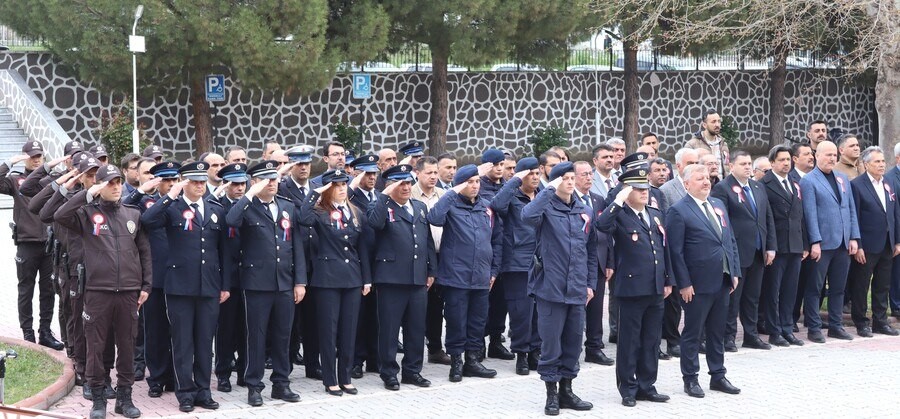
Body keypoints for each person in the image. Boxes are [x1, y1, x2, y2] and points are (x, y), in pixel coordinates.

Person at [54, 164, 152, 419]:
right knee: (96, 348)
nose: (117, 187)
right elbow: (60, 215)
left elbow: (144, 252)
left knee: (127, 346)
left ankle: (125, 398)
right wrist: (89, 192)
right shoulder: (86, 214)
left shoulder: (133, 214)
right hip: (98, 291)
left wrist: (146, 286)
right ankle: (98, 400)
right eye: (110, 182)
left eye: (119, 182)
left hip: (129, 292)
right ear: (99, 186)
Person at [140, 161, 228, 413]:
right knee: (182, 343)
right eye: (194, 181)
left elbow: (223, 250)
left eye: (202, 181)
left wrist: (225, 285)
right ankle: (185, 393)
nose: (200, 185)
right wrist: (169, 196)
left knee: (204, 343)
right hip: (179, 287)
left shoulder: (214, 208)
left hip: (209, 286)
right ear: (184, 182)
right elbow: (147, 220)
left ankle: (203, 391)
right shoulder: (172, 208)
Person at [226, 160, 307, 406]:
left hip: (284, 282)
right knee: (256, 338)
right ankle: (254, 386)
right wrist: (249, 194)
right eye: (266, 179)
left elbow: (297, 246)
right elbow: (231, 220)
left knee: (283, 336)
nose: (273, 183)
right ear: (255, 182)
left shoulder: (286, 206)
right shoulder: (247, 207)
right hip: (257, 284)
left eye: (274, 179)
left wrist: (300, 281)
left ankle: (281, 384)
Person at [522, 162, 597, 415]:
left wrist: (590, 284)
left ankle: (567, 390)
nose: (570, 182)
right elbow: (526, 216)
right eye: (564, 178)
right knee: (551, 345)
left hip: (576, 289)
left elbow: (590, 251)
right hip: (550, 289)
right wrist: (547, 190)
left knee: (573, 344)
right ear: (555, 182)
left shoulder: (583, 210)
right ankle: (551, 395)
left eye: (571, 177)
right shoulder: (544, 209)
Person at [596, 168, 673, 407]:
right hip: (631, 287)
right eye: (638, 189)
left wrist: (668, 279)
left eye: (645, 188)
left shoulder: (655, 213)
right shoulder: (619, 215)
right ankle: (628, 388)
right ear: (627, 191)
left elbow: (663, 248)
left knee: (651, 340)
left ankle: (647, 385)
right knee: (630, 341)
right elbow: (601, 224)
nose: (644, 192)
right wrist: (618, 200)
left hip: (655, 287)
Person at [666, 163, 742, 398]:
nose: (706, 182)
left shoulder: (718, 205)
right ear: (687, 183)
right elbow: (675, 252)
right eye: (700, 179)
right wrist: (684, 283)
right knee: (693, 332)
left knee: (717, 332)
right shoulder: (679, 210)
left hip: (722, 280)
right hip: (696, 285)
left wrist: (734, 271)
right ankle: (691, 378)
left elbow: (729, 240)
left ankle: (718, 375)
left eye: (707, 178)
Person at [298, 168, 371, 396]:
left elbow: (363, 248)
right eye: (336, 186)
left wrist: (366, 278)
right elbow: (302, 218)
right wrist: (315, 193)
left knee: (349, 330)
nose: (342, 189)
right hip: (327, 278)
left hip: (352, 277)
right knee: (329, 330)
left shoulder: (356, 212)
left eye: (344, 185)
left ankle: (345, 377)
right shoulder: (319, 212)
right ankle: (330, 379)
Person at [427, 164, 501, 383]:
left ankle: (472, 360)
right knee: (456, 320)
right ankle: (456, 361)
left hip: (481, 275)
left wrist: (494, 270)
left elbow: (496, 240)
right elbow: (434, 218)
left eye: (477, 181)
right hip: (456, 276)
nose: (475, 186)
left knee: (477, 321)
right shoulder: (451, 205)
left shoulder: (486, 207)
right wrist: (452, 192)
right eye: (469, 182)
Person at [367, 164, 436, 390]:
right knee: (389, 328)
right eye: (401, 183)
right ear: (390, 185)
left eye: (408, 182)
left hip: (417, 277)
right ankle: (388, 372)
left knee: (416, 328)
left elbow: (427, 241)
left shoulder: (418, 206)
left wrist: (431, 271)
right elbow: (374, 224)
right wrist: (384, 196)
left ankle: (412, 371)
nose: (406, 187)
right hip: (392, 279)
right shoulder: (382, 206)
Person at [121, 159, 178, 398]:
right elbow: (122, 209)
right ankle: (156, 378)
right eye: (165, 180)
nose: (171, 184)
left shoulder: (181, 202)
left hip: (178, 276)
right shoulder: (142, 202)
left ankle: (175, 376)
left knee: (178, 330)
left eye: (174, 179)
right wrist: (142, 190)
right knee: (154, 330)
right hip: (153, 276)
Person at [711, 151, 776, 352]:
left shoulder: (757, 186)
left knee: (752, 296)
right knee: (733, 297)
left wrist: (770, 246)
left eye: (749, 163)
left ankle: (751, 335)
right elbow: (722, 222)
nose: (748, 167)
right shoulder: (723, 188)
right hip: (736, 252)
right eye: (743, 164)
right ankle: (728, 336)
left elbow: (767, 218)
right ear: (732, 166)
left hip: (758, 250)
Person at [0, 141, 63, 349]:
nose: (36, 159)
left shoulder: (51, 179)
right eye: (32, 156)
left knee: (48, 290)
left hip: (48, 244)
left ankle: (45, 331)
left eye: (39, 156)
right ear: (24, 156)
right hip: (26, 244)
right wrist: (9, 162)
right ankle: (27, 333)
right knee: (25, 290)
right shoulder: (15, 180)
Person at [800, 141, 860, 343]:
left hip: (843, 242)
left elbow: (850, 209)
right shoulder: (809, 181)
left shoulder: (842, 178)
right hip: (823, 243)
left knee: (838, 287)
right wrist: (815, 241)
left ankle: (836, 326)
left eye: (834, 155)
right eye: (827, 155)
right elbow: (810, 214)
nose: (832, 158)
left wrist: (854, 237)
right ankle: (814, 327)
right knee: (815, 287)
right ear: (817, 156)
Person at [490, 157, 543, 374]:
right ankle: (521, 353)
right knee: (521, 312)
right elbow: (496, 204)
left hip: (542, 262)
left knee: (540, 312)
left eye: (538, 173)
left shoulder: (543, 196)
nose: (535, 177)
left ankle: (535, 352)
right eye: (530, 174)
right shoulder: (512, 197)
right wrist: (513, 181)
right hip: (517, 263)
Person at [848, 146, 900, 336]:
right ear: (866, 164)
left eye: (883, 161)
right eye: (877, 161)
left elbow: (894, 213)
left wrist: (897, 241)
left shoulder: (888, 183)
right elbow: (855, 216)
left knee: (883, 284)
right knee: (861, 284)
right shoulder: (857, 185)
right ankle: (861, 322)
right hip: (867, 244)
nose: (881, 165)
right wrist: (858, 244)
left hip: (887, 242)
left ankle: (880, 321)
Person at [279, 145, 321, 379]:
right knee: (290, 321)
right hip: (293, 261)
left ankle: (313, 364)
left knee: (313, 318)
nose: (303, 167)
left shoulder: (316, 188)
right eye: (298, 163)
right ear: (291, 165)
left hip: (316, 261)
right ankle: (286, 366)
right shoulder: (282, 189)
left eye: (306, 163)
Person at [760, 145, 807, 346]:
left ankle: (787, 328)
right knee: (773, 291)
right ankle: (774, 330)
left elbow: (800, 216)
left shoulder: (795, 183)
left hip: (795, 245)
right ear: (772, 163)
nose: (786, 163)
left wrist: (805, 243)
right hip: (777, 245)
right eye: (781, 160)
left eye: (788, 159)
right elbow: (766, 219)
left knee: (790, 290)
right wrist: (769, 246)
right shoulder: (764, 184)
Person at [572, 161, 614, 367]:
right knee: (576, 309)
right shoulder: (568, 200)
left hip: (598, 261)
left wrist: (610, 261)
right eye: (584, 174)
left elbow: (607, 232)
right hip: (576, 263)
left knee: (596, 309)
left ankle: (594, 348)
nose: (589, 178)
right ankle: (572, 350)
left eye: (590, 174)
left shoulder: (598, 200)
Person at [213, 163, 250, 391]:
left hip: (250, 276)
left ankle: (245, 373)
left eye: (242, 183)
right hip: (227, 276)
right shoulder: (218, 207)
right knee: (225, 330)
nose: (239, 188)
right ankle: (224, 374)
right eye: (234, 184)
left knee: (248, 329)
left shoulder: (251, 205)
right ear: (226, 184)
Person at [411, 157, 451, 365]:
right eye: (429, 173)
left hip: (441, 255)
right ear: (417, 173)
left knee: (437, 306)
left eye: (436, 172)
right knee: (417, 308)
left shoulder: (444, 196)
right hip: (418, 257)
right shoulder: (409, 194)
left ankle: (435, 348)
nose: (434, 177)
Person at [347, 155, 381, 379]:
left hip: (380, 264)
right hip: (359, 263)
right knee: (358, 317)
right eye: (366, 173)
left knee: (377, 315)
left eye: (373, 173)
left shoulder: (380, 196)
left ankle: (374, 358)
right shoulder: (350, 196)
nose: (370, 177)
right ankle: (356, 360)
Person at [479, 148, 513, 360]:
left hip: (505, 249)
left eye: (503, 165)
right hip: (486, 250)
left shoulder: (507, 187)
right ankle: (478, 343)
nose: (500, 169)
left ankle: (495, 341)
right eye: (496, 165)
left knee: (501, 301)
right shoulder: (478, 186)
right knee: (484, 303)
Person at [685, 110, 730, 178]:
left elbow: (726, 166)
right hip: (702, 184)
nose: (717, 125)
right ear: (704, 125)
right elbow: (687, 170)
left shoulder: (723, 144)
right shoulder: (692, 145)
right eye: (713, 122)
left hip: (721, 185)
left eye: (719, 121)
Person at [659, 148, 699, 214]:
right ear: (678, 166)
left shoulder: (703, 186)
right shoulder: (665, 190)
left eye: (696, 163)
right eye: (690, 163)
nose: (694, 166)